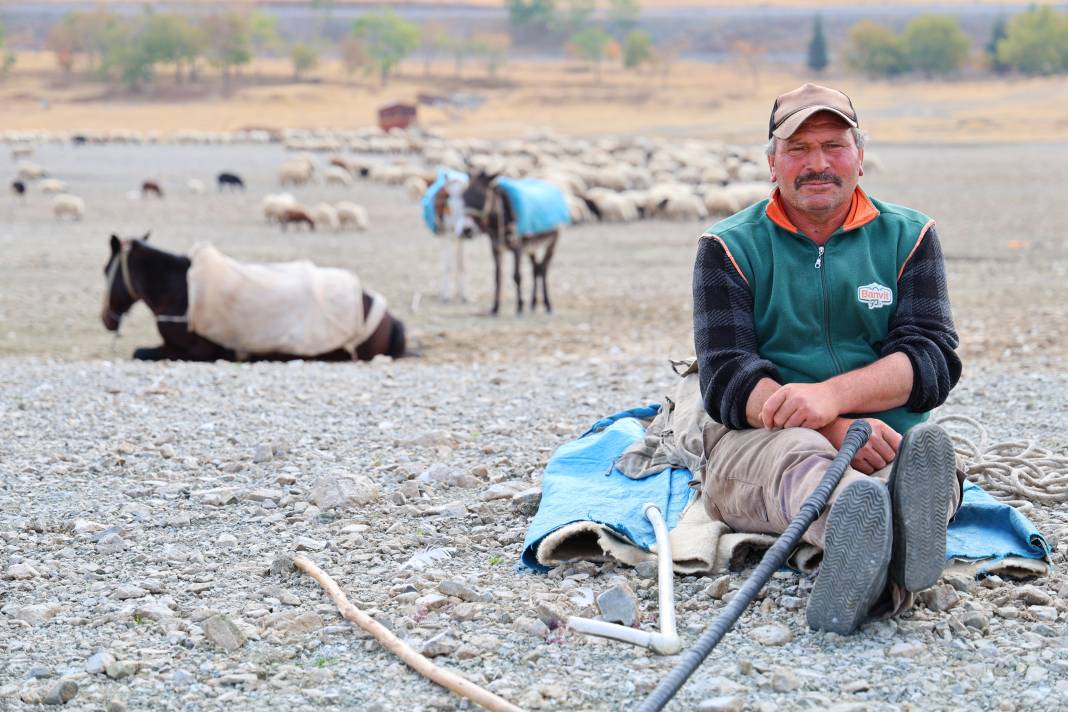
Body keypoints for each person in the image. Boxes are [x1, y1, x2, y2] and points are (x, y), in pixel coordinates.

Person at [692, 83, 963, 635]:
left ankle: (887, 535)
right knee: (803, 461)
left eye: (834, 145)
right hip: (765, 436)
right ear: (773, 164)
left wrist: (833, 397)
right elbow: (725, 376)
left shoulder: (909, 236)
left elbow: (932, 359)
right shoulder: (727, 247)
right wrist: (832, 424)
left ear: (860, 158)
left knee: (920, 462)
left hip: (886, 433)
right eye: (798, 149)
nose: (817, 163)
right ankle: (865, 534)